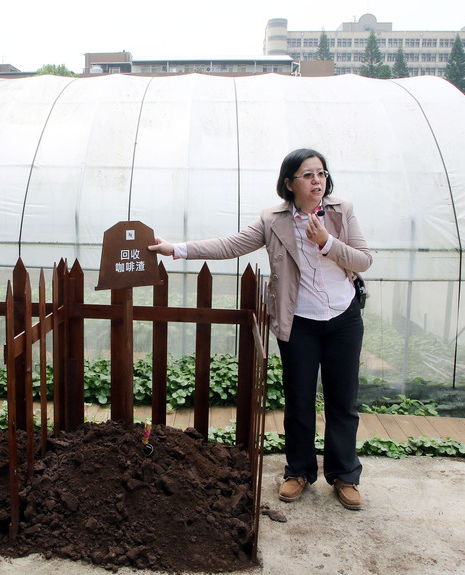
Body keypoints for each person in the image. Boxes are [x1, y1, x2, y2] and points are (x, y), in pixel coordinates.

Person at [148, 148, 372, 510]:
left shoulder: (341, 211)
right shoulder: (273, 219)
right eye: (308, 175)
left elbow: (363, 259)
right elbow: (232, 244)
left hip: (343, 319)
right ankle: (299, 471)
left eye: (321, 173)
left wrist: (326, 242)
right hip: (299, 322)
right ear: (290, 183)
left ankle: (345, 475)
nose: (317, 181)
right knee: (299, 400)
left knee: (342, 401)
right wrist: (178, 248)